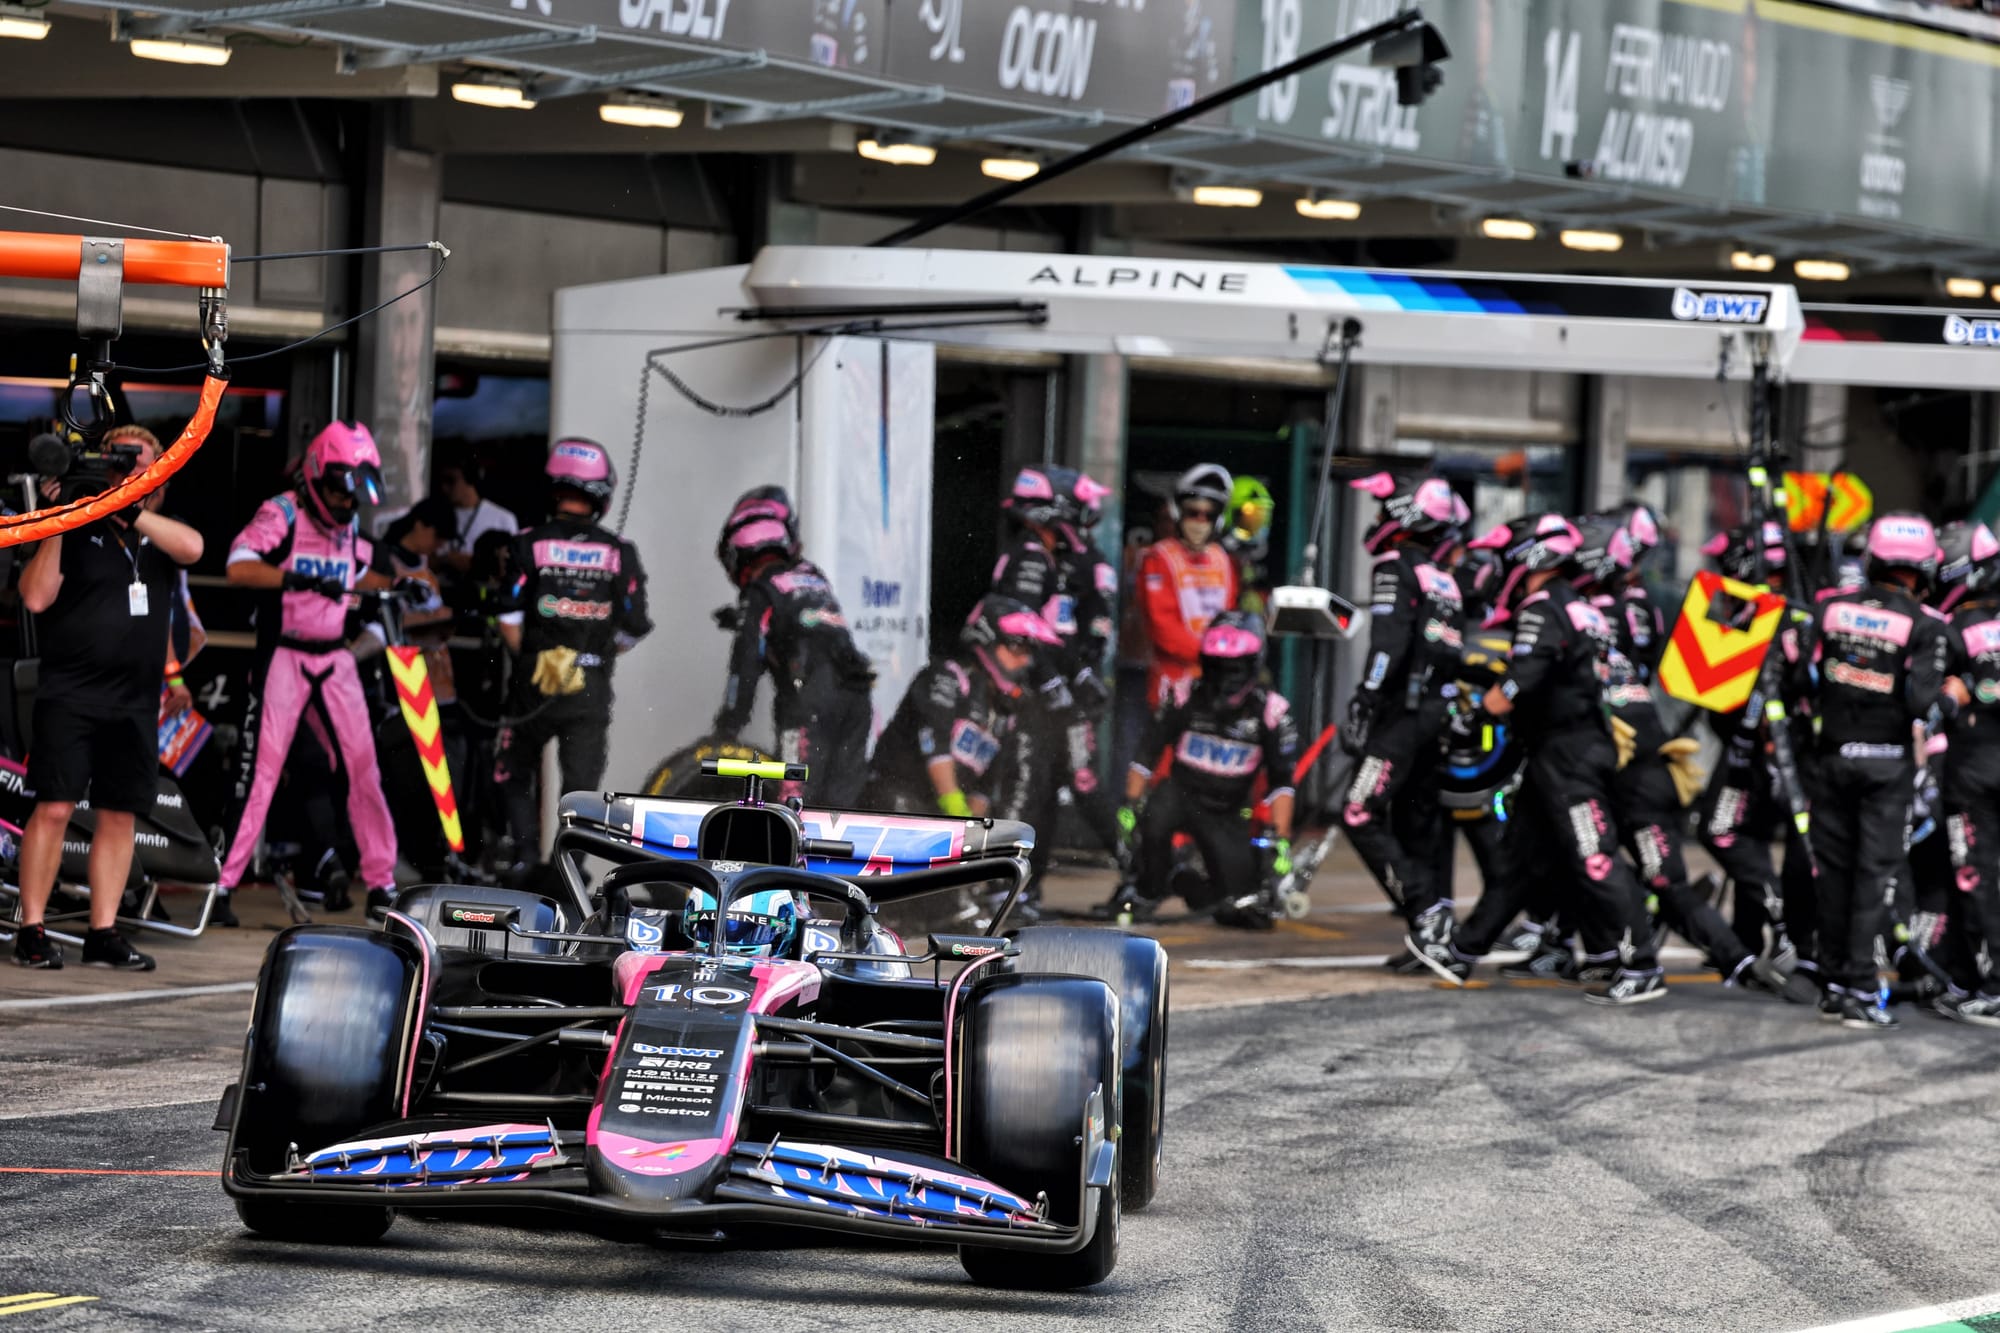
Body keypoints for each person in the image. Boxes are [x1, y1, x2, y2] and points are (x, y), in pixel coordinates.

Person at [11, 424, 204, 969]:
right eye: (122, 463)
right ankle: (33, 928)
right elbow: (35, 597)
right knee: (53, 807)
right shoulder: (75, 522)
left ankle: (103, 931)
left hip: (134, 699)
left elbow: (195, 548)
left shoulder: (160, 532)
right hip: (70, 691)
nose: (134, 472)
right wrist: (63, 519)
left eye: (145, 463)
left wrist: (131, 512)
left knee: (120, 815)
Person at [1477, 514, 1666, 1006]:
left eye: (1505, 555)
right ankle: (1600, 954)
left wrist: (1487, 702)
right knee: (1560, 858)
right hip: (1579, 745)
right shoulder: (1580, 605)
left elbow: (1525, 676)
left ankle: (1641, 963)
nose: (1499, 566)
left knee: (1595, 857)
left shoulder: (1543, 606)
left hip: (1572, 753)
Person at [219, 422, 404, 920]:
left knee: (365, 769)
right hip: (285, 653)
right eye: (339, 493)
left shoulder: (349, 531)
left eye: (354, 497)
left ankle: (381, 883)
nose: (347, 505)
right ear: (317, 480)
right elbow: (237, 564)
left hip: (335, 656)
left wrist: (408, 586)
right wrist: (294, 577)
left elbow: (368, 573)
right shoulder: (281, 512)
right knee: (263, 771)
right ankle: (223, 886)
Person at [1801, 512, 1949, 1030]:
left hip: (1832, 760)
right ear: (1924, 566)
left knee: (1835, 876)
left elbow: (1800, 677)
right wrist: (1952, 697)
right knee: (1872, 878)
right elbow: (1924, 702)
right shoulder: (1927, 624)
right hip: (1886, 767)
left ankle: (1835, 982)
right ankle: (1862, 988)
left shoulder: (1828, 608)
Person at [493, 439, 652, 865]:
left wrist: (533, 661)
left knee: (512, 773)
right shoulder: (619, 552)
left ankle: (524, 859)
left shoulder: (527, 543)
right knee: (580, 789)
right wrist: (595, 658)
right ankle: (568, 871)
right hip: (590, 688)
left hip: (533, 686)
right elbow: (635, 628)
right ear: (600, 493)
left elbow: (506, 618)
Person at [1338, 472, 1466, 973]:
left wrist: (1368, 694)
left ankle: (1424, 909)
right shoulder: (1445, 578)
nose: (1377, 520)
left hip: (1405, 715)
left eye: (1382, 511)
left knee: (1357, 811)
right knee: (1418, 824)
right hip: (1438, 716)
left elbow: (1388, 644)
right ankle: (1431, 937)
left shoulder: (1394, 565)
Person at [1112, 610, 1299, 926]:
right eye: (1218, 666)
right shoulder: (1182, 694)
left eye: (1236, 668)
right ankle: (1147, 887)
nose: (1227, 677)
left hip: (1228, 811)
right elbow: (1146, 755)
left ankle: (1182, 880)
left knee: (1244, 914)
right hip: (1181, 794)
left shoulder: (1272, 712)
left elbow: (1282, 783)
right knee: (1155, 819)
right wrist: (1129, 807)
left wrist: (1280, 841)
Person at [710, 485, 872, 807]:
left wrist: (727, 727)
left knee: (796, 803)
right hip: (857, 698)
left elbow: (744, 666)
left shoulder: (760, 591)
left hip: (808, 702)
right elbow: (806, 621)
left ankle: (785, 860)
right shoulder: (813, 576)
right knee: (841, 809)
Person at [863, 596, 1061, 816]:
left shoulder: (1006, 708)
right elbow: (936, 746)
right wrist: (955, 808)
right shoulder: (946, 677)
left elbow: (985, 786)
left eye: (1029, 650)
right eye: (1017, 647)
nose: (1025, 660)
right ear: (988, 641)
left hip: (936, 815)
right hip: (891, 805)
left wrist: (973, 835)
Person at [1933, 520, 2000, 1024]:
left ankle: (1992, 985)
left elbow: (1932, 701)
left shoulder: (1950, 629)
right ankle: (1967, 977)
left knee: (1973, 877)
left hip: (1972, 776)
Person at [1135, 463, 1239, 708]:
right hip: (1171, 681)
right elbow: (1162, 627)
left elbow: (1230, 616)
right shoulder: (1158, 558)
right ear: (1178, 512)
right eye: (1193, 512)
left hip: (1215, 681)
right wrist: (1210, 655)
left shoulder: (1222, 559)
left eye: (1208, 514)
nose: (1200, 521)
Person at [432, 454, 517, 585]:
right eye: (442, 481)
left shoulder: (503, 518)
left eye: (451, 480)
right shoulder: (436, 516)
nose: (444, 488)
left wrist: (474, 563)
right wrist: (447, 560)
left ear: (470, 478)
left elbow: (512, 565)